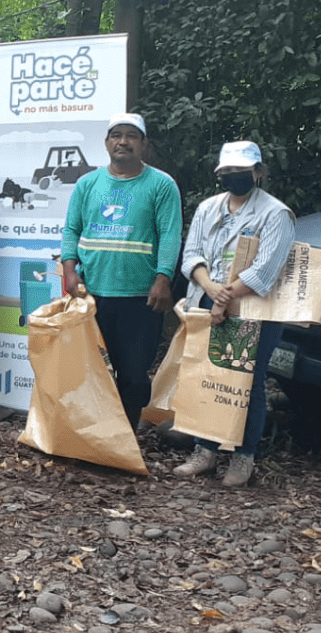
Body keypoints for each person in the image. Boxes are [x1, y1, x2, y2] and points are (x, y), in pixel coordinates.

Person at [173, 141, 295, 487]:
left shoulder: (276, 214)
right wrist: (211, 290)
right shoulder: (208, 208)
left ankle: (244, 456)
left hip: (253, 312)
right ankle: (205, 449)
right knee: (208, 374)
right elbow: (191, 254)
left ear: (258, 172)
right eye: (228, 173)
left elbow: (264, 272)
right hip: (207, 303)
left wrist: (225, 298)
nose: (234, 178)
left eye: (242, 172)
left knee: (248, 381)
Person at [60, 112, 182, 430]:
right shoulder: (88, 184)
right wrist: (69, 271)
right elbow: (71, 229)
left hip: (139, 296)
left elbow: (170, 234)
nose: (123, 141)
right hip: (92, 293)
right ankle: (94, 435)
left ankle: (125, 436)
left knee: (132, 372)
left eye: (131, 135)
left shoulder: (161, 185)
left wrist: (163, 277)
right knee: (92, 369)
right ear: (106, 143)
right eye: (116, 135)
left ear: (144, 144)